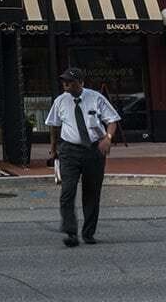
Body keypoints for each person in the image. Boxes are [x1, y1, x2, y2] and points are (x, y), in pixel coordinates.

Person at [46, 67, 120, 247]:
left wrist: (108, 138)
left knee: (91, 193)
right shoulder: (60, 101)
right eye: (64, 81)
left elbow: (112, 120)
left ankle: (88, 233)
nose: (65, 84)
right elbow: (54, 125)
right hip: (69, 150)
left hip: (93, 150)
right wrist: (54, 148)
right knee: (67, 191)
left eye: (70, 81)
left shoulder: (96, 98)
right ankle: (71, 232)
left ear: (80, 82)